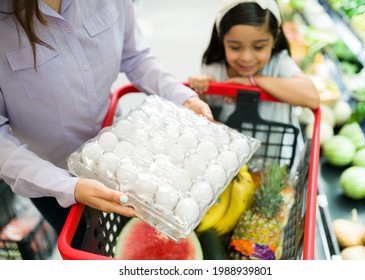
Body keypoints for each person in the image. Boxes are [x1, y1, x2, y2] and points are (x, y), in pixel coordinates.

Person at [0, 0, 213, 245]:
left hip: (125, 153)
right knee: (89, 246)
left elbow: (135, 57)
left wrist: (183, 98)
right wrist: (70, 188)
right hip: (51, 180)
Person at [188, 0, 319, 124]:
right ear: (222, 40)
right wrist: (203, 89)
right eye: (235, 47)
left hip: (278, 146)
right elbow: (202, 114)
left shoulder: (278, 63)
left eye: (258, 47)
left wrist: (254, 80)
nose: (246, 58)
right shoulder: (214, 70)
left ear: (275, 39)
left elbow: (312, 98)